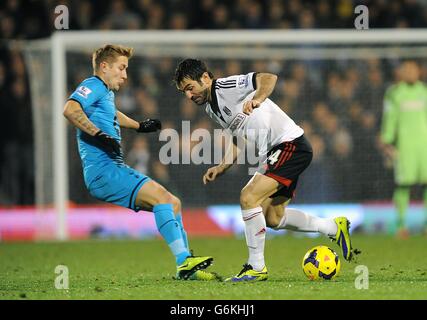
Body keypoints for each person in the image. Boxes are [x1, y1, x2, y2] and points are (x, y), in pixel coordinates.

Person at [174, 59, 358, 282]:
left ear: (204, 78)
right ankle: (332, 227)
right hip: (276, 151)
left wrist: (258, 98)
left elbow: (269, 78)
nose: (188, 95)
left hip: (289, 144)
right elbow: (236, 138)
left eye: (189, 88)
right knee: (273, 217)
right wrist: (222, 166)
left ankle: (256, 267)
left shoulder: (224, 86)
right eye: (184, 92)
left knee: (248, 197)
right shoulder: (212, 109)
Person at [63, 45, 217, 281]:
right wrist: (96, 133)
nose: (125, 75)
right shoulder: (93, 84)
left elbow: (112, 114)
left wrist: (138, 126)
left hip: (112, 168)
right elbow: (70, 109)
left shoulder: (104, 92)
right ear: (104, 67)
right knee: (162, 199)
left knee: (173, 203)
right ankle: (184, 261)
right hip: (104, 171)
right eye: (121, 68)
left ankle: (188, 268)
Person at [380, 60, 427, 238]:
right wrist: (386, 141)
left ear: (418, 72)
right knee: (403, 185)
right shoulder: (394, 93)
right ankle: (401, 225)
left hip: (425, 146)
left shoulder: (424, 92)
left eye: (413, 69)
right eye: (406, 70)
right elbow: (389, 118)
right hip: (404, 147)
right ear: (401, 73)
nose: (410, 73)